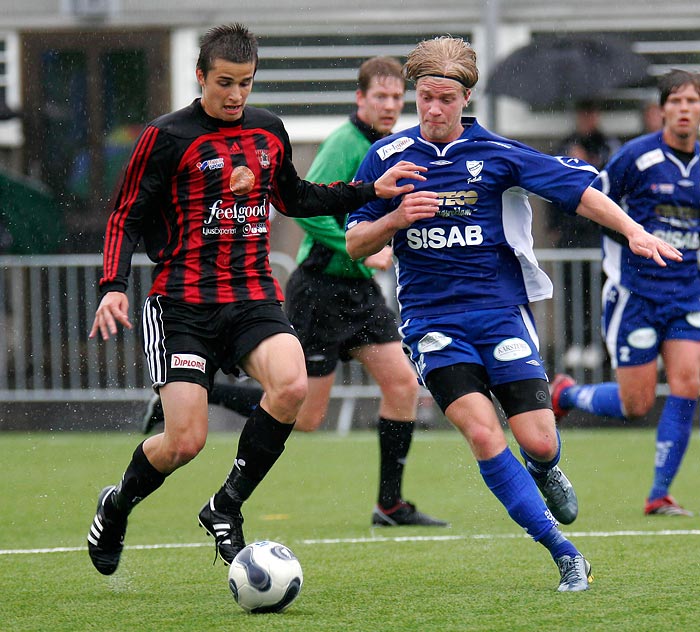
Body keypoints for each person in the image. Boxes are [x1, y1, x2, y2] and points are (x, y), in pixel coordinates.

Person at [86, 22, 426, 576]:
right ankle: (117, 503)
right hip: (182, 304)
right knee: (184, 442)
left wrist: (369, 190)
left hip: (251, 296)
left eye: (245, 82)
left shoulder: (268, 131)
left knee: (293, 385)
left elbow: (295, 196)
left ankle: (226, 506)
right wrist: (111, 288)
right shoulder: (167, 136)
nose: (236, 94)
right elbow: (125, 215)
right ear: (200, 77)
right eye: (224, 82)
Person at [345, 36, 681, 591]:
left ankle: (545, 468)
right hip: (433, 324)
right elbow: (356, 244)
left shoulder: (497, 154)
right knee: (482, 434)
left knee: (540, 441)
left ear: (465, 98)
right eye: (424, 97)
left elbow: (579, 191)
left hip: (500, 316)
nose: (432, 108)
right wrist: (394, 218)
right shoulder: (386, 158)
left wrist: (635, 231)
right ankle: (564, 552)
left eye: (444, 99)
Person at [285, 56, 447, 527]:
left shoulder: (394, 145)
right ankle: (211, 389)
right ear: (360, 99)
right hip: (319, 288)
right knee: (305, 417)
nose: (390, 105)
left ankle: (389, 505)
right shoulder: (344, 143)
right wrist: (360, 247)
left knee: (403, 386)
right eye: (381, 96)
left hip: (358, 293)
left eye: (398, 97)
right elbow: (306, 209)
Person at [550, 69, 700, 517]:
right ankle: (568, 394)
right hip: (635, 292)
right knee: (635, 404)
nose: (685, 110)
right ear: (662, 110)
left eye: (693, 101)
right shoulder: (635, 157)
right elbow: (597, 206)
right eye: (676, 102)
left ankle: (658, 494)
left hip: (688, 295)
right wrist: (635, 238)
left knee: (687, 383)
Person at [547, 100, 621, 369]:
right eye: (583, 114)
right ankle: (573, 343)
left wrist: (589, 163)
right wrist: (553, 226)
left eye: (592, 113)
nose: (587, 119)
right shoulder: (566, 144)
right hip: (570, 230)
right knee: (570, 291)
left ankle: (597, 343)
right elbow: (550, 185)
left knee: (598, 291)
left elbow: (613, 181)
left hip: (596, 231)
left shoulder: (608, 144)